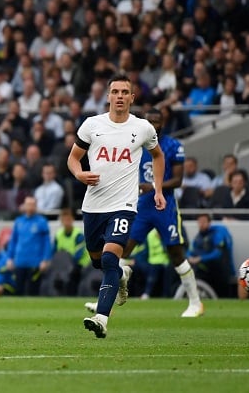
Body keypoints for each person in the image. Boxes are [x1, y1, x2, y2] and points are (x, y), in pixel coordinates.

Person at [67, 74, 166, 338]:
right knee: (100, 262)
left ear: (132, 98)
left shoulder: (143, 127)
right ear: (108, 96)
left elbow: (158, 156)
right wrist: (79, 174)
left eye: (125, 92)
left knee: (110, 257)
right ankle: (122, 275)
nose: (120, 96)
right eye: (115, 91)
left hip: (124, 204)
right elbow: (73, 158)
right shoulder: (92, 125)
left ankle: (101, 318)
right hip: (93, 205)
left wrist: (157, 189)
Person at [124, 108, 204, 317]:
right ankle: (107, 301)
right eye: (149, 121)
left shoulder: (173, 146)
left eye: (157, 121)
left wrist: (153, 186)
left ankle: (195, 303)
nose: (153, 125)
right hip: (143, 206)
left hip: (165, 206)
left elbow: (178, 181)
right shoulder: (136, 145)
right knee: (122, 250)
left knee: (176, 254)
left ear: (163, 123)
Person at [5, 196, 53, 296]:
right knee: (18, 290)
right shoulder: (19, 221)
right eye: (28, 204)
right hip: (19, 261)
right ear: (24, 206)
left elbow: (46, 243)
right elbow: (13, 241)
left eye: (32, 204)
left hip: (35, 262)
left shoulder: (41, 222)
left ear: (36, 206)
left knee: (33, 291)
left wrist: (45, 259)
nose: (30, 207)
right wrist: (10, 258)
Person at [188, 213, 235, 298]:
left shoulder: (218, 233)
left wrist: (200, 258)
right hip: (204, 270)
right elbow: (190, 251)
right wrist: (189, 257)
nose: (201, 224)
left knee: (223, 295)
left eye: (203, 222)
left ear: (209, 223)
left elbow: (217, 253)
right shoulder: (198, 237)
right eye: (199, 222)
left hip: (219, 270)